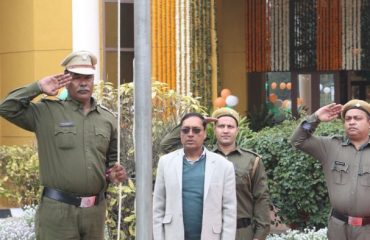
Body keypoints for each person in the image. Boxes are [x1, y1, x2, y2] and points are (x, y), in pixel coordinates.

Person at [0, 50, 126, 240]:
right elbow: (7, 107)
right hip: (58, 212)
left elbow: (111, 161)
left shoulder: (107, 118)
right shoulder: (46, 112)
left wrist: (113, 174)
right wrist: (38, 87)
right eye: (76, 77)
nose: (83, 83)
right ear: (67, 79)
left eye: (88, 77)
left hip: (94, 213)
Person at [160, 108, 271, 240]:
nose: (225, 130)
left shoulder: (252, 161)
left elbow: (261, 198)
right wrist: (197, 122)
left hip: (241, 232)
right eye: (221, 126)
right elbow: (166, 146)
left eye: (230, 126)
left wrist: (259, 236)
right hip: (209, 232)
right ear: (213, 129)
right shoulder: (201, 158)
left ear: (237, 130)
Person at [290, 100, 370, 240]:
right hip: (338, 229)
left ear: (369, 123)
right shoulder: (330, 146)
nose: (351, 122)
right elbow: (297, 140)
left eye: (357, 118)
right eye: (348, 119)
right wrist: (315, 118)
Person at [153, 112, 237, 240]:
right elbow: (158, 208)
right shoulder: (166, 162)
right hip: (173, 235)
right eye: (185, 130)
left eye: (196, 130)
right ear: (180, 134)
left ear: (205, 134)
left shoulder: (224, 166)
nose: (190, 134)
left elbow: (229, 212)